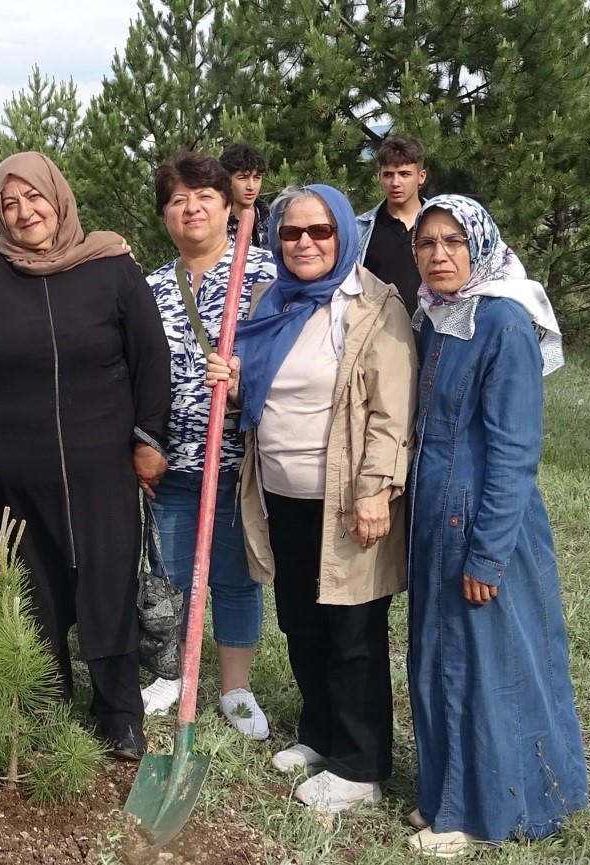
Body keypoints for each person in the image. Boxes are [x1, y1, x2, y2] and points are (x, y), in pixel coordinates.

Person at [0, 152, 172, 760]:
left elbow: (151, 358)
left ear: (57, 197)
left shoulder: (110, 266)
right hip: (8, 472)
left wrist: (148, 440)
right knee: (28, 590)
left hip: (102, 469)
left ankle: (119, 712)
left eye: (33, 197)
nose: (24, 212)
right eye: (8, 204)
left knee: (109, 584)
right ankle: (43, 708)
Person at [208, 184, 416, 812]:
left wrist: (377, 489)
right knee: (301, 620)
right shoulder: (274, 299)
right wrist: (237, 382)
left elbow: (391, 409)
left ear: (345, 235)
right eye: (292, 233)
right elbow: (264, 396)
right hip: (280, 490)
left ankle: (361, 765)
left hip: (350, 498)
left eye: (320, 232)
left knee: (351, 629)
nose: (304, 243)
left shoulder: (375, 307)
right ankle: (322, 734)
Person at [404, 195, 586, 856]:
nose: (439, 254)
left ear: (479, 245)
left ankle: (479, 813)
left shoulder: (503, 321)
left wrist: (487, 554)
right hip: (433, 520)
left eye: (453, 241)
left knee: (478, 666)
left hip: (482, 523)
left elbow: (513, 451)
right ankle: (448, 794)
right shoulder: (435, 315)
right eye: (426, 243)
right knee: (436, 658)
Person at [140, 152, 277, 737]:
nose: (191, 208)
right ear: (165, 216)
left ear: (228, 205)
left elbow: (291, 358)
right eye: (177, 199)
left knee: (234, 573)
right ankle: (170, 673)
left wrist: (247, 383)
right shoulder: (150, 287)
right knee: (168, 573)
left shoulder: (267, 275)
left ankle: (236, 689)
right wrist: (141, 442)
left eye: (204, 196)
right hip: (173, 461)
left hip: (240, 462)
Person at [357, 135, 428, 315]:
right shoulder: (361, 229)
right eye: (388, 174)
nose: (395, 183)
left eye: (404, 174)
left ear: (421, 176)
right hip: (378, 333)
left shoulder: (440, 225)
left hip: (432, 330)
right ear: (379, 176)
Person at [220, 143, 270, 249]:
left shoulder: (273, 221)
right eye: (243, 178)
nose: (251, 186)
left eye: (256, 178)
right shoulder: (215, 223)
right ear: (227, 180)